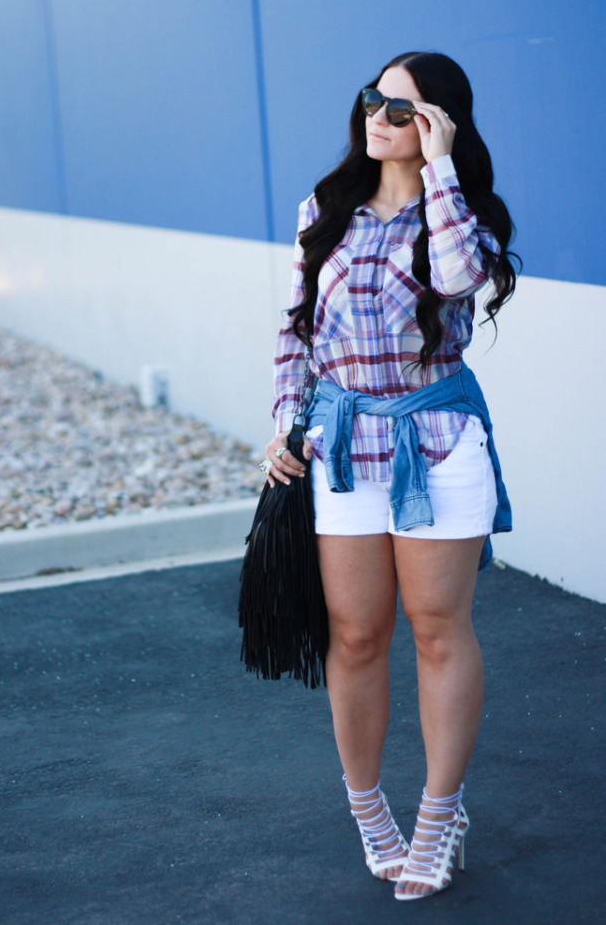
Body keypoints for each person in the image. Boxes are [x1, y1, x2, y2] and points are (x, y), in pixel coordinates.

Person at [260, 51, 518, 901]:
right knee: (357, 636)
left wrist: (440, 169)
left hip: (437, 443)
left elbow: (454, 279)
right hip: (342, 449)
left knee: (438, 632)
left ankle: (441, 815)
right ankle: (371, 810)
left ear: (439, 123)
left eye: (404, 110)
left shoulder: (461, 217)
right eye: (374, 99)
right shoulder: (324, 209)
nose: (379, 116)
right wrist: (283, 423)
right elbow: (296, 331)